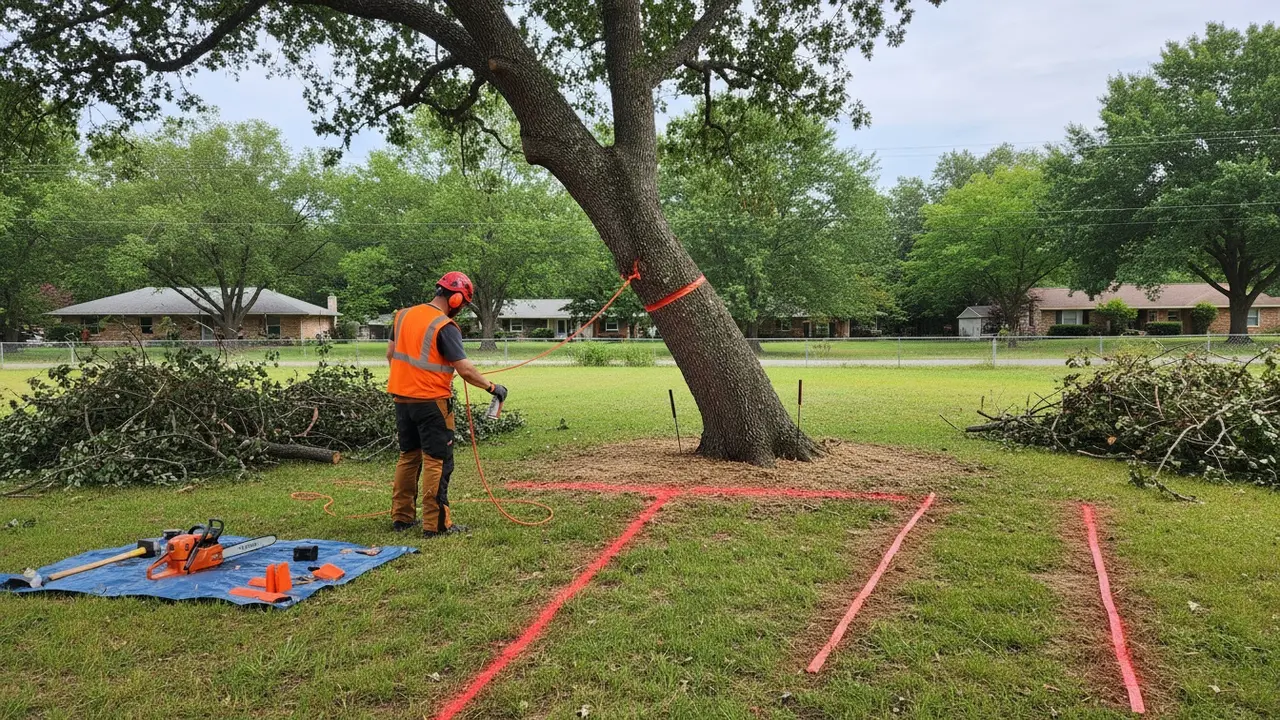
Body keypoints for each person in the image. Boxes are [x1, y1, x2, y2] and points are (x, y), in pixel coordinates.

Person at [386, 271, 507, 538]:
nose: (460, 310)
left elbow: (390, 355)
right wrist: (492, 388)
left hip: (401, 400)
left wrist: (409, 380)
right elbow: (464, 369)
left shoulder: (402, 315)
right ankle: (436, 524)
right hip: (431, 403)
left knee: (408, 457)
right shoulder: (444, 326)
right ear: (455, 299)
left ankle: (402, 517)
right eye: (462, 304)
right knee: (436, 460)